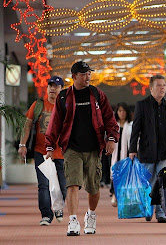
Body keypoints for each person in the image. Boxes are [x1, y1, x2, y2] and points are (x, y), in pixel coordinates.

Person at [45, 61, 119, 236]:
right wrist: (49, 145)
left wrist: (111, 139)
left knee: (93, 188)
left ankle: (91, 215)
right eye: (84, 74)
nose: (88, 77)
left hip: (94, 149)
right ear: (74, 76)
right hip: (72, 149)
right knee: (72, 184)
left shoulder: (97, 94)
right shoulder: (64, 97)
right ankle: (72, 221)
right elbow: (54, 123)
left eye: (89, 73)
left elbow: (110, 119)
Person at [129, 75, 166, 223]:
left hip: (165, 152)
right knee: (147, 183)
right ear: (151, 88)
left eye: (163, 85)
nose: (162, 88)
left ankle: (161, 212)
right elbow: (135, 129)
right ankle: (148, 209)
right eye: (158, 85)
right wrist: (132, 149)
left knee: (162, 182)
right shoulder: (142, 105)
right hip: (147, 151)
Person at [18, 76, 67, 226]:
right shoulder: (38, 105)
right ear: (47, 88)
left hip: (62, 153)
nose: (52, 88)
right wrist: (22, 144)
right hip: (42, 151)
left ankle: (58, 207)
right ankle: (46, 214)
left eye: (56, 86)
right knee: (43, 185)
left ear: (61, 89)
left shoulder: (66, 107)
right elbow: (27, 125)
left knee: (63, 185)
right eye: (50, 86)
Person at [110, 102, 132, 207]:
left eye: (124, 111)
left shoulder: (131, 125)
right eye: (120, 111)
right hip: (115, 154)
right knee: (115, 174)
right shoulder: (114, 125)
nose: (122, 113)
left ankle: (123, 197)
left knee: (126, 176)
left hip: (127, 154)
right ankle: (114, 194)